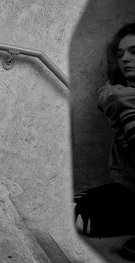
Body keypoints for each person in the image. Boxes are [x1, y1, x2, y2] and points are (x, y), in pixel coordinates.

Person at [74, 22, 135, 238]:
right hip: (127, 186)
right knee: (71, 209)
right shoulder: (116, 95)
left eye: (133, 52)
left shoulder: (120, 97)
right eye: (120, 54)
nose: (125, 59)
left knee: (86, 221)